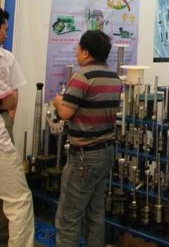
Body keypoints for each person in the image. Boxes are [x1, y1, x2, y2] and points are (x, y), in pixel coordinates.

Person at [53, 30, 122, 247]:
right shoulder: (114, 77)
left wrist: (58, 102)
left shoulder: (82, 76)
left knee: (69, 217)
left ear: (86, 53)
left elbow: (65, 113)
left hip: (84, 156)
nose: (76, 52)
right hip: (106, 151)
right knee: (95, 213)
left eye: (78, 48)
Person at [0, 7, 34, 247]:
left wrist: (9, 116)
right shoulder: (3, 58)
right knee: (19, 200)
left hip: (4, 122)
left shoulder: (7, 57)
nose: (6, 34)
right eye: (5, 29)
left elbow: (12, 97)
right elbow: (9, 99)